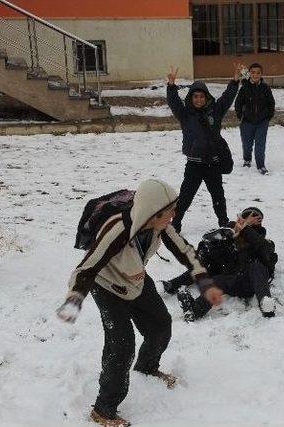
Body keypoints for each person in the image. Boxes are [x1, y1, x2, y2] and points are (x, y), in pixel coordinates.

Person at [56, 179, 223, 427]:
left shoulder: (160, 225)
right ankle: (103, 409)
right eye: (170, 211)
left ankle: (147, 367)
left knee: (160, 325)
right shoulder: (117, 229)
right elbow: (86, 268)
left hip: (135, 280)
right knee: (121, 346)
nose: (174, 215)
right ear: (152, 212)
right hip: (106, 285)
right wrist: (74, 299)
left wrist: (205, 282)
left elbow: (185, 250)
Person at [161, 207, 277, 319]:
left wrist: (246, 229)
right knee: (210, 271)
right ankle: (189, 305)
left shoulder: (265, 242)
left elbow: (265, 251)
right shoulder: (231, 236)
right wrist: (229, 235)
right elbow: (214, 253)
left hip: (249, 282)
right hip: (231, 279)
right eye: (245, 217)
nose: (245, 221)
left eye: (253, 218)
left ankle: (266, 304)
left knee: (256, 266)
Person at [166, 64, 242, 232]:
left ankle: (223, 220)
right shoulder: (185, 114)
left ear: (206, 97)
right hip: (194, 164)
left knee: (218, 195)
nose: (198, 99)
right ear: (191, 98)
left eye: (201, 96)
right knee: (186, 196)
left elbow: (227, 98)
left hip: (212, 163)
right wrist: (171, 86)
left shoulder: (215, 111)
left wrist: (235, 81)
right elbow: (174, 103)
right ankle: (176, 222)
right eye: (195, 97)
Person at [235, 63, 276, 175]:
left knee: (260, 144)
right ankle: (247, 159)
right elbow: (238, 103)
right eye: (253, 72)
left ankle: (261, 165)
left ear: (261, 74)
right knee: (247, 144)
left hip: (262, 122)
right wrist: (240, 115)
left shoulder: (265, 88)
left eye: (258, 73)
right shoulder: (245, 88)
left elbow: (271, 103)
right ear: (249, 73)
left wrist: (268, 116)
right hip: (247, 122)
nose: (255, 75)